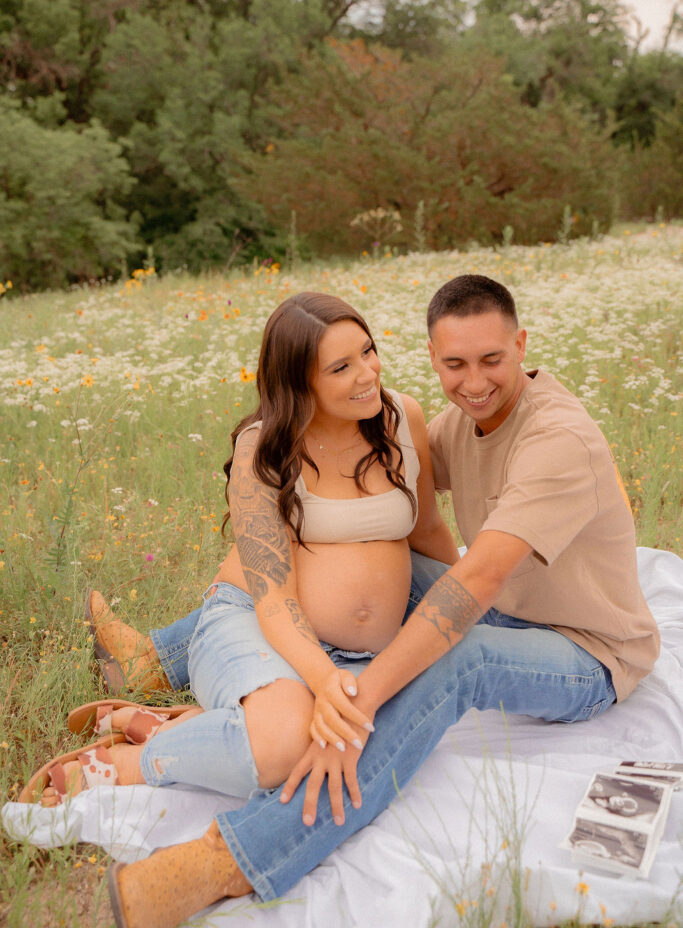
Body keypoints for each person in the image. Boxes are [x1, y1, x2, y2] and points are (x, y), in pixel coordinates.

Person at [42, 276, 661, 928]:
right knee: (314, 546)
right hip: (509, 605)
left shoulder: (554, 439)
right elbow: (391, 518)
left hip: (582, 650)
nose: (473, 381)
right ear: (431, 355)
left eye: (490, 360)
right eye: (453, 363)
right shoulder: (463, 417)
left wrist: (356, 704)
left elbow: (473, 583)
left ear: (521, 346)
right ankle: (162, 657)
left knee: (461, 654)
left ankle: (235, 857)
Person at [23, 291, 457, 807]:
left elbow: (427, 530)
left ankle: (178, 718)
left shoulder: (401, 418)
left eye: (367, 351)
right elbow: (273, 599)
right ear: (301, 382)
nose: (367, 373)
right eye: (341, 367)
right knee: (283, 749)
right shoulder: (265, 449)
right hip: (260, 625)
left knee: (349, 753)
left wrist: (476, 602)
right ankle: (130, 760)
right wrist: (323, 679)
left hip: (365, 653)